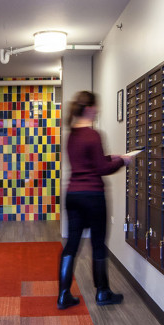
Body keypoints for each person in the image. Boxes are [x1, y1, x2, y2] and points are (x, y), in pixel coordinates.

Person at [58, 90, 132, 309]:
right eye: (96, 107)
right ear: (89, 109)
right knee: (98, 243)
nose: (98, 110)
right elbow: (101, 168)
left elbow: (90, 162)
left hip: (73, 195)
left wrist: (114, 157)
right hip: (93, 195)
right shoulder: (94, 134)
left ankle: (63, 295)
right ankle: (102, 292)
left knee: (72, 244)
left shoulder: (72, 135)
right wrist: (123, 162)